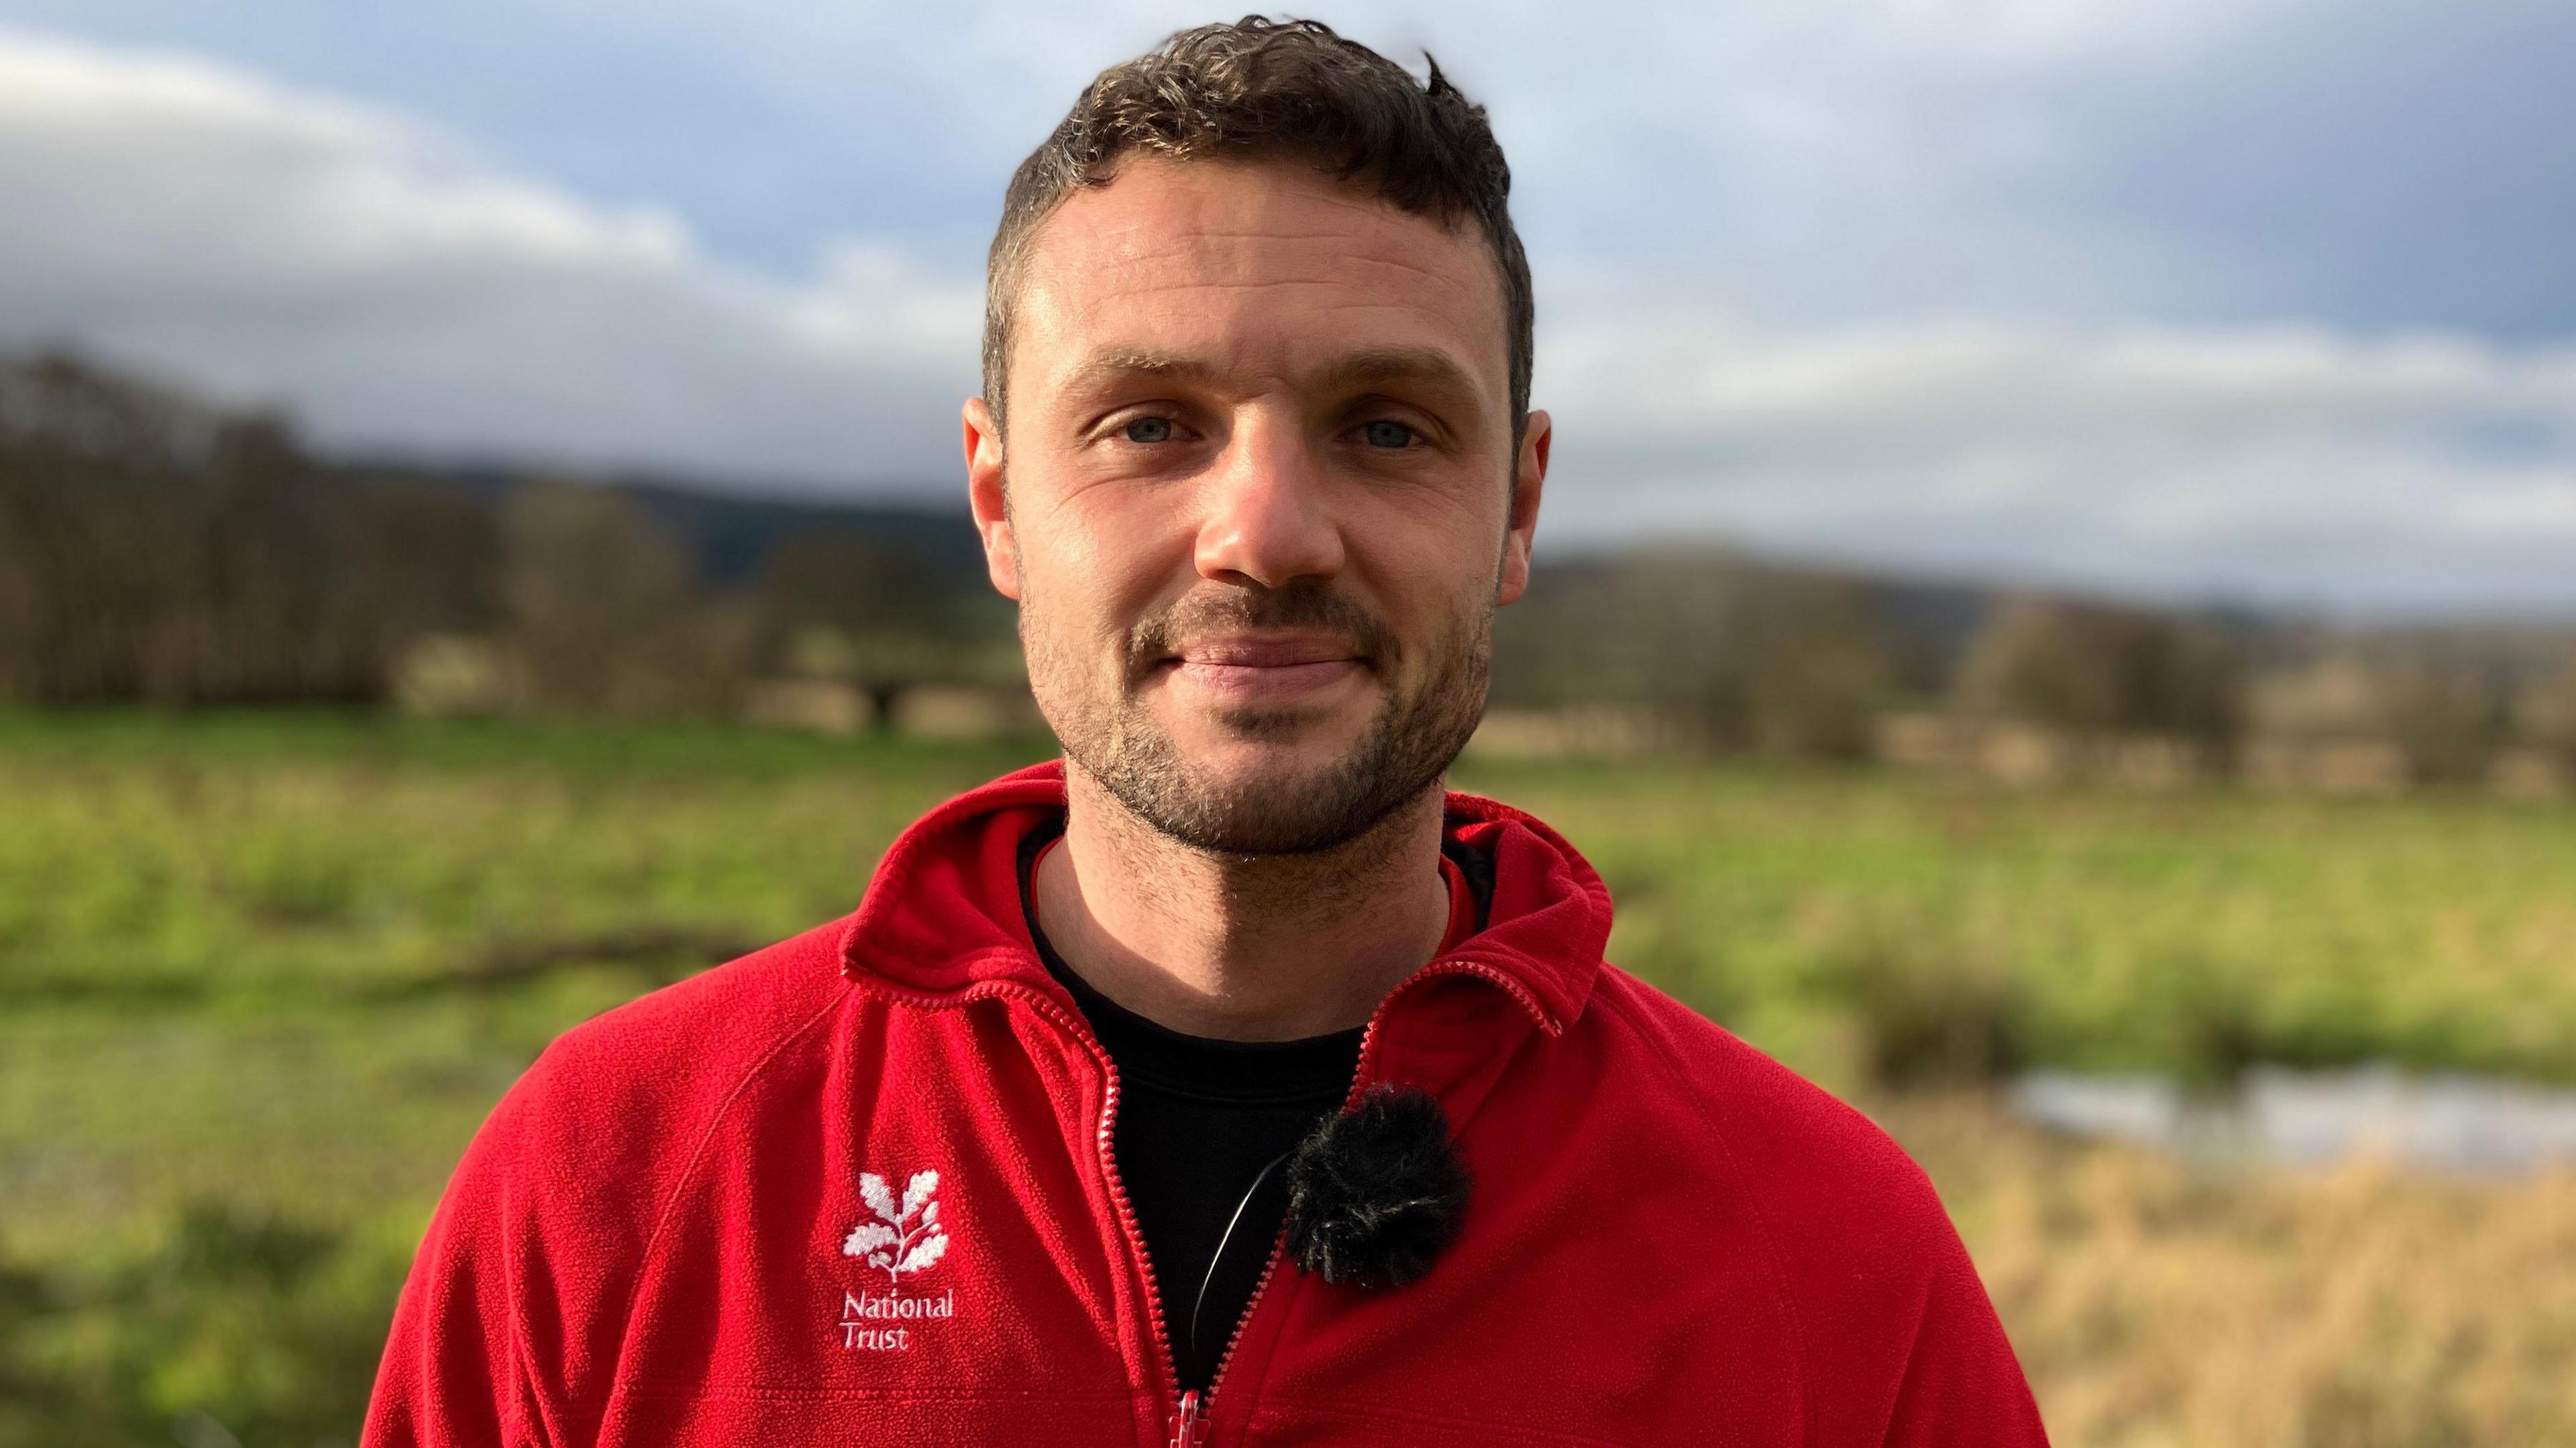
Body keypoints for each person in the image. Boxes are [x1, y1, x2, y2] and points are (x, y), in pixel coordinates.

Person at [362, 17, 2051, 1447]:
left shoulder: (1828, 1261)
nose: (1267, 531)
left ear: (1518, 506)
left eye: (1387, 426)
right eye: (1151, 421)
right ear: (999, 495)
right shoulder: (625, 1172)